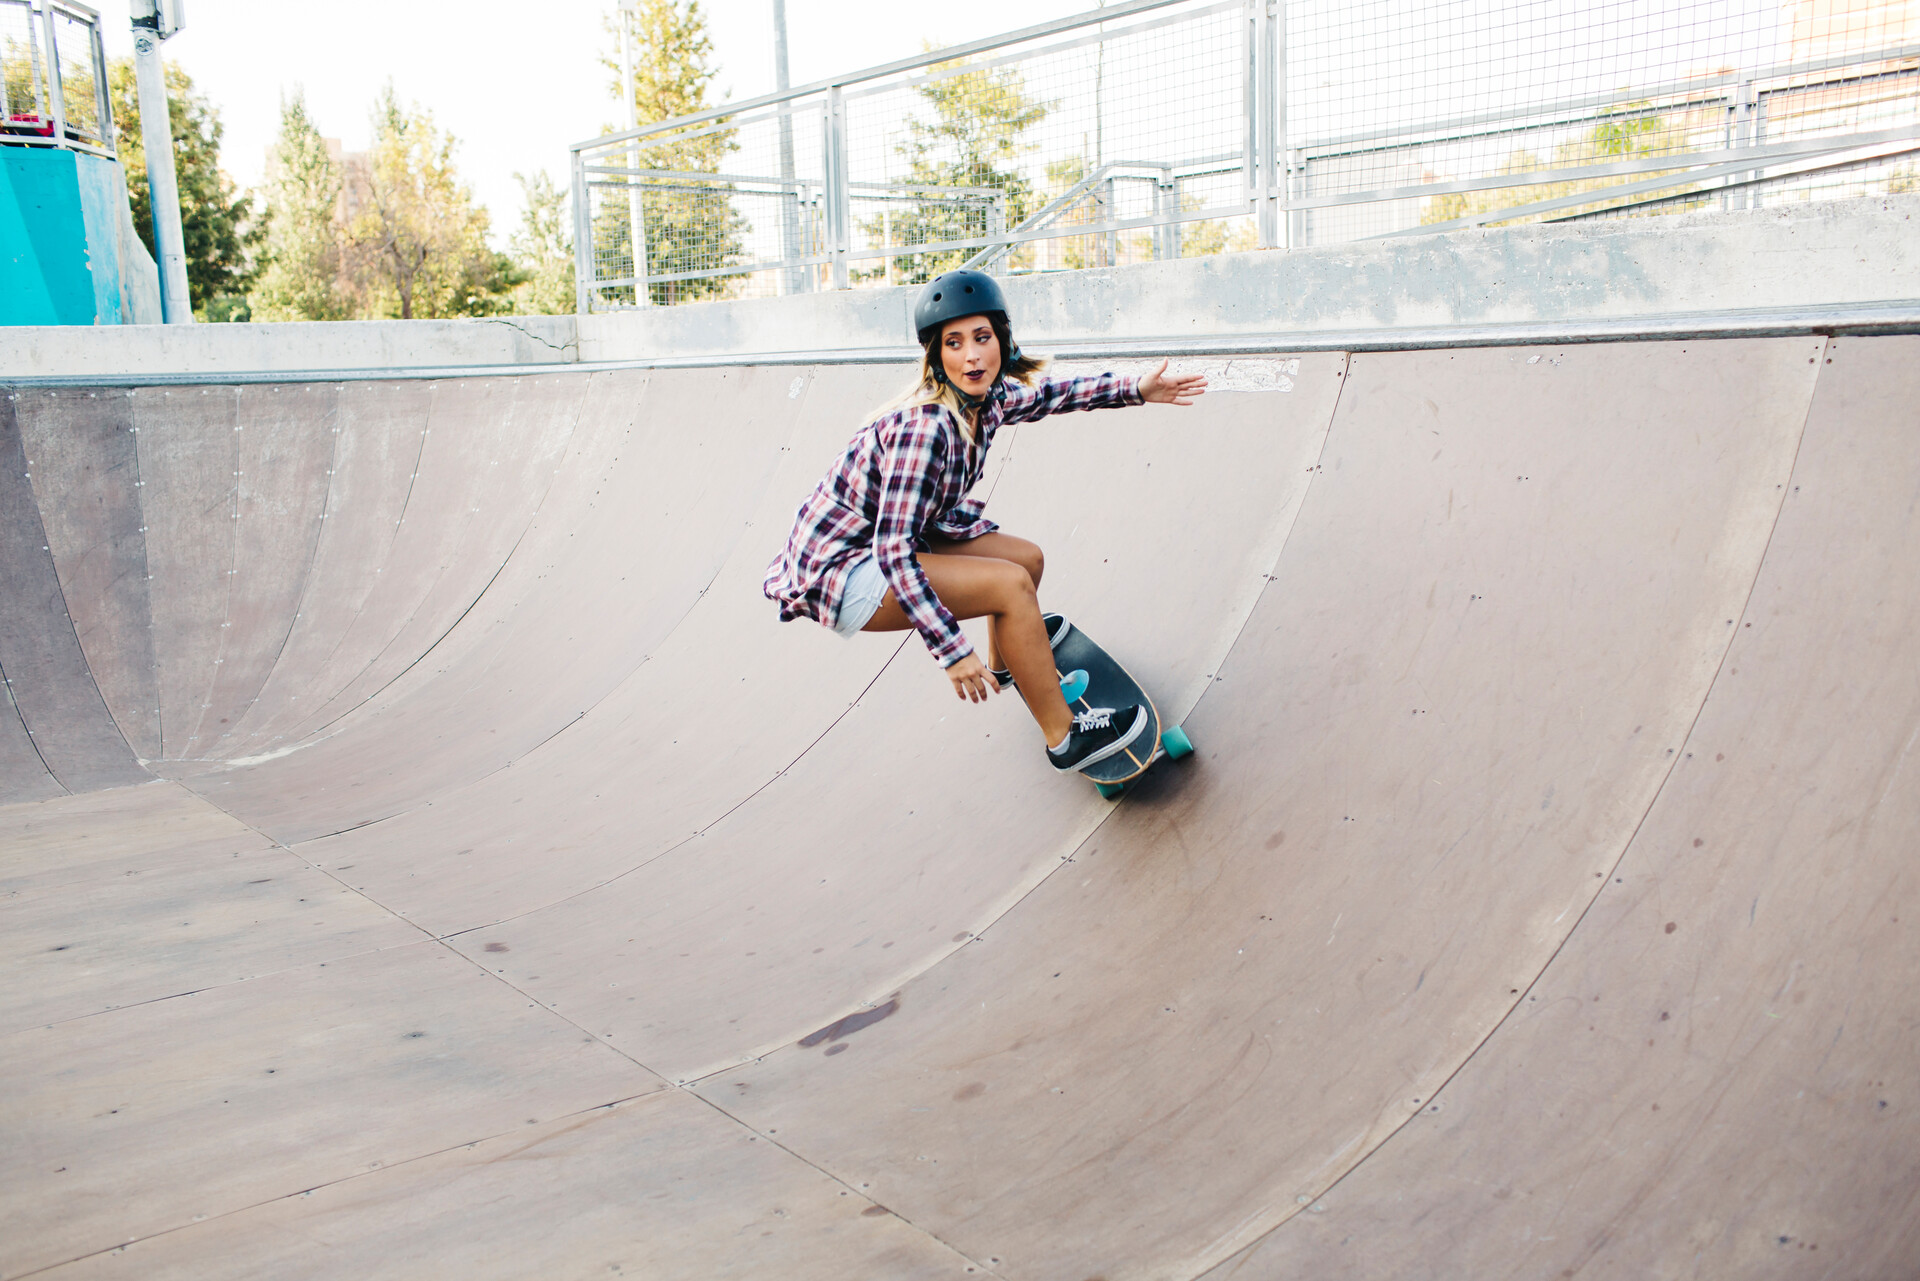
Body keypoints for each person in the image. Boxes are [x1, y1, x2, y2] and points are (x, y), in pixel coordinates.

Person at [763, 269, 1207, 772]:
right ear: (936, 355)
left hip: (879, 545)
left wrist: (1137, 388)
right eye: (954, 344)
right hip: (845, 572)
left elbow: (1050, 396)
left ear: (1002, 341)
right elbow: (892, 551)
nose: (972, 356)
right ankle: (1065, 737)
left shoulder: (985, 401)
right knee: (1010, 585)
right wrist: (952, 650)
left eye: (982, 338)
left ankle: (1012, 662)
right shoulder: (926, 429)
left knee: (1026, 559)